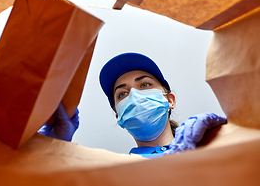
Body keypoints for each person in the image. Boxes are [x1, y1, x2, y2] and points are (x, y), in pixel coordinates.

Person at [39, 52, 227, 158]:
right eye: (122, 93)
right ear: (119, 117)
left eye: (145, 84)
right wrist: (48, 150)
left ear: (169, 100)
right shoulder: (116, 174)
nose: (135, 95)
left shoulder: (211, 143)